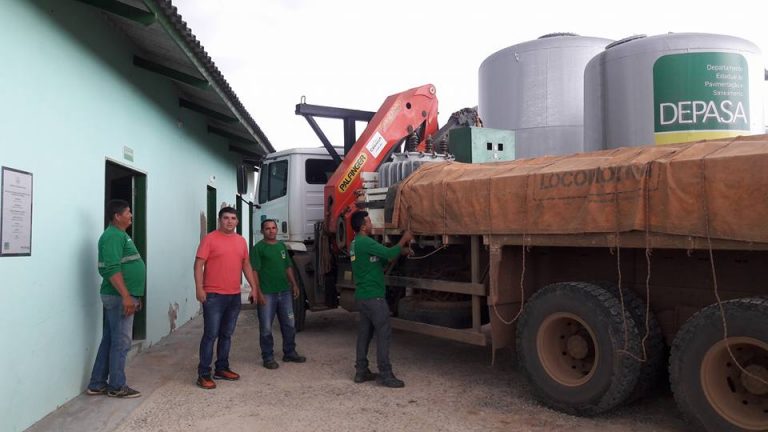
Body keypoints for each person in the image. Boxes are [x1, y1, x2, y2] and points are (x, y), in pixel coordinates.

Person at [194, 207, 263, 390]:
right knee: (211, 335)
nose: (229, 221)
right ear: (220, 220)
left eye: (233, 218)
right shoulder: (210, 239)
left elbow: (246, 264)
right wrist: (199, 288)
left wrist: (254, 287)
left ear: (237, 222)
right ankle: (203, 374)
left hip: (233, 295)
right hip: (213, 295)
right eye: (226, 218)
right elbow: (198, 264)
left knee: (227, 334)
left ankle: (222, 368)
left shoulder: (241, 241)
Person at [86, 199, 145, 398]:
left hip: (124, 296)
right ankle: (117, 386)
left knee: (110, 340)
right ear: (117, 216)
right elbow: (111, 268)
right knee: (121, 343)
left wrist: (135, 295)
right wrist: (127, 296)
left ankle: (97, 383)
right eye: (128, 212)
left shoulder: (119, 235)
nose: (131, 215)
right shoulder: (112, 236)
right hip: (119, 297)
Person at [350, 210, 412, 388]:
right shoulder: (366, 242)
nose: (371, 224)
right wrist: (403, 239)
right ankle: (386, 374)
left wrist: (400, 251)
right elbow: (389, 254)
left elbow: (380, 261)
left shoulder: (355, 244)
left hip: (363, 296)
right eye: (369, 221)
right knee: (383, 334)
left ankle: (361, 371)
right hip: (374, 297)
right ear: (363, 226)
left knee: (364, 334)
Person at [250, 219, 306, 369]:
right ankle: (268, 357)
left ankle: (290, 352)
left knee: (289, 324)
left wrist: (294, 284)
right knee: (266, 327)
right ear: (262, 231)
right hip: (267, 294)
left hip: (285, 292)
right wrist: (258, 291)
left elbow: (288, 266)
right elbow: (254, 271)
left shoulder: (282, 246)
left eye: (274, 228)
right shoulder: (258, 249)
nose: (271, 231)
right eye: (267, 228)